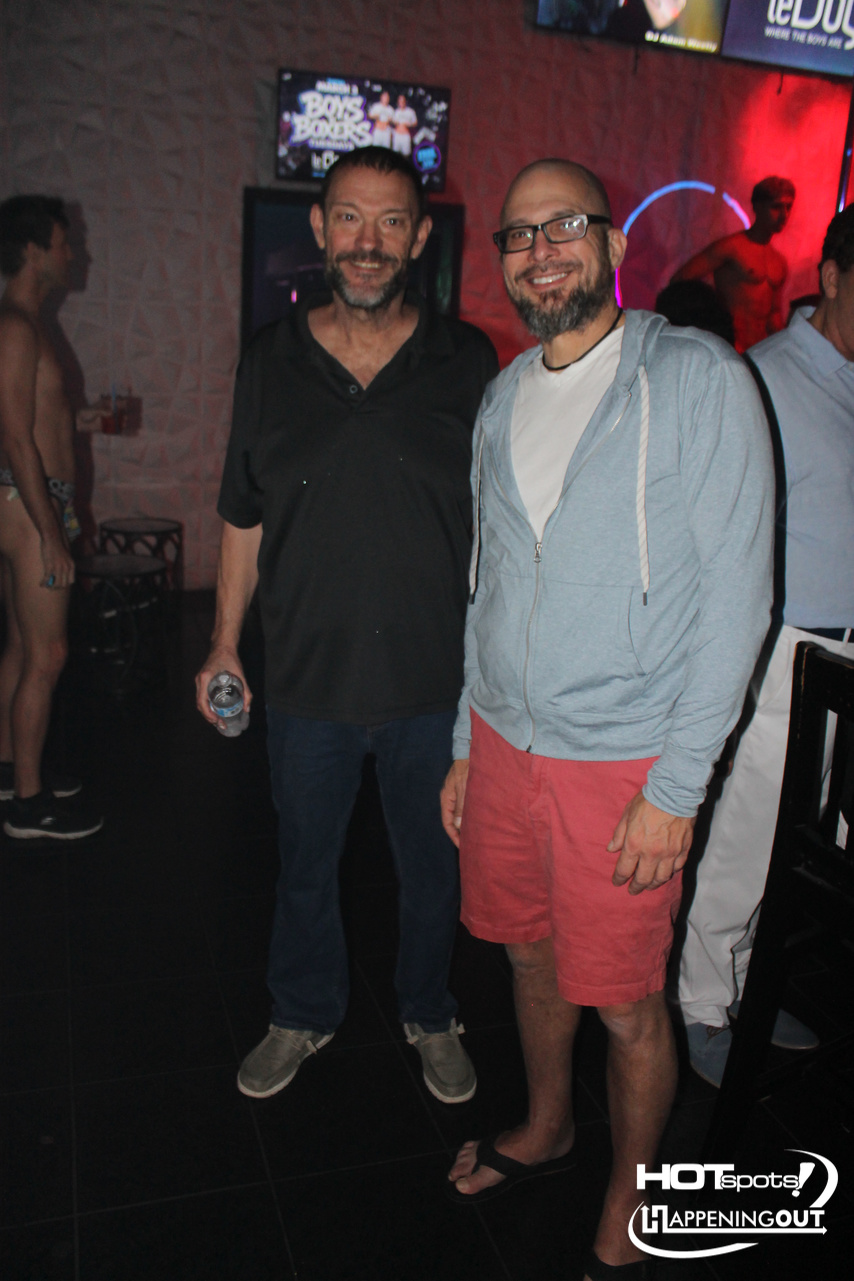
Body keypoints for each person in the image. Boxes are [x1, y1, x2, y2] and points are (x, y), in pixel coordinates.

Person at [439, 159, 773, 1278]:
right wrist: (458, 742)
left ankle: (632, 1188)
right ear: (500, 260)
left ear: (609, 244)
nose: (541, 250)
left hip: (621, 762)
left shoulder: (696, 379)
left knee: (627, 1002)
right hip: (500, 744)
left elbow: (739, 597)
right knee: (529, 961)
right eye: (518, 233)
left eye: (564, 225)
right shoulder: (499, 394)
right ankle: (547, 1124)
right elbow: (483, 584)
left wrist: (674, 791)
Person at [195, 147, 498, 1105]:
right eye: (350, 220)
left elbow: (498, 523)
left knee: (433, 871)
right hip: (310, 680)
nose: (369, 243)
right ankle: (302, 1009)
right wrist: (222, 642)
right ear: (320, 229)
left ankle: (428, 1008)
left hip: (433, 684)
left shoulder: (468, 361)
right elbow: (242, 516)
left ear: (417, 237)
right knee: (303, 864)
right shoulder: (269, 360)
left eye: (391, 222)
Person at [678, 204, 854, 1086]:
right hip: (791, 651)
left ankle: (748, 979)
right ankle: (706, 1001)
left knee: (804, 846)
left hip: (849, 655)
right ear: (830, 278)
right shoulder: (769, 380)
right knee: (750, 835)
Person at [0, 195, 102, 841]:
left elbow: (34, 418)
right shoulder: (15, 324)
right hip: (26, 500)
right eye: (65, 243)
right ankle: (29, 805)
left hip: (28, 495)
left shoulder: (28, 323)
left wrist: (79, 420)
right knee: (49, 653)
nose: (74, 253)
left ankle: (13, 768)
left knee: (21, 647)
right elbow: (13, 435)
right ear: (35, 250)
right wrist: (49, 531)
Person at [671, 176, 795, 353]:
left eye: (788, 207)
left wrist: (790, 345)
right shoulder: (731, 248)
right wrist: (707, 324)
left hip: (760, 351)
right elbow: (680, 280)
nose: (784, 215)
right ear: (758, 207)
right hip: (728, 347)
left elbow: (773, 317)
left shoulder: (778, 262)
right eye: (776, 207)